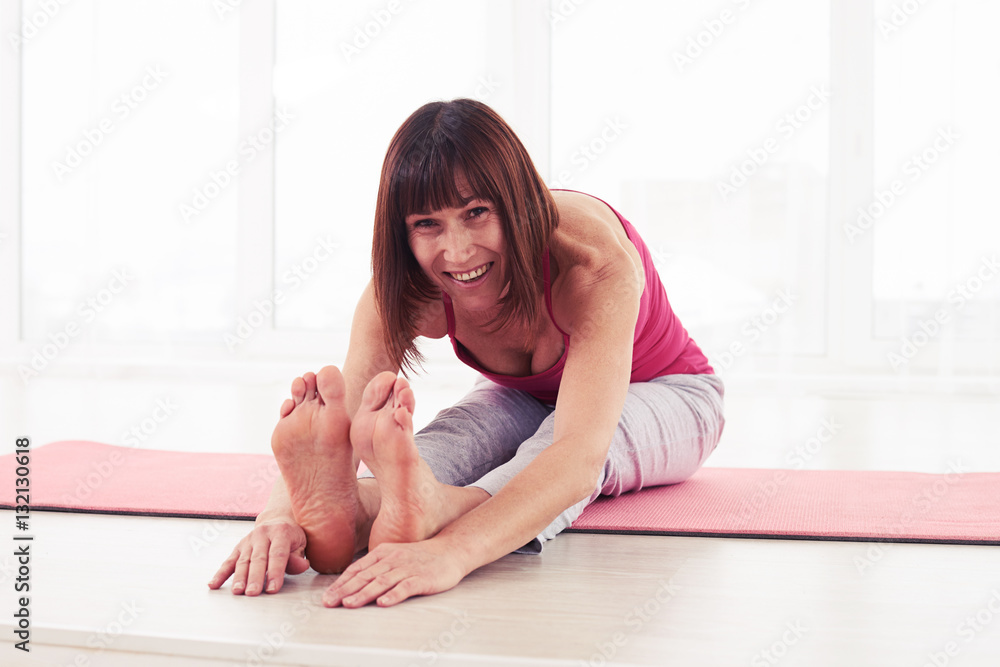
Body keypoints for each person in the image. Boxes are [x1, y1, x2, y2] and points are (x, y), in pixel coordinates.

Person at [208, 98, 725, 608]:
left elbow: (577, 455)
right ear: (403, 233)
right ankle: (365, 509)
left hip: (669, 392)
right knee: (452, 436)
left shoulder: (593, 263)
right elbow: (334, 427)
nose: (456, 252)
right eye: (426, 225)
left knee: (570, 446)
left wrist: (452, 553)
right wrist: (279, 517)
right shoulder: (410, 286)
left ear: (517, 202)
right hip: (519, 394)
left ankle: (444, 510)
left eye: (476, 213)